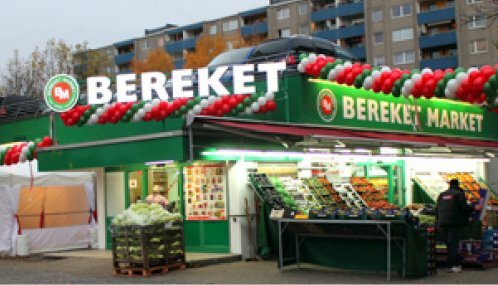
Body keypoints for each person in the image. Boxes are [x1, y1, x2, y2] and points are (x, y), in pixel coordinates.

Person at [436, 178, 483, 273]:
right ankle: (451, 266)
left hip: (442, 223)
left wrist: (439, 220)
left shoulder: (442, 194)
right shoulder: (459, 194)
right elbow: (464, 207)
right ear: (458, 185)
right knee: (453, 244)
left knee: (449, 244)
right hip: (454, 222)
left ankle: (453, 264)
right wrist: (474, 207)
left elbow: (436, 209)